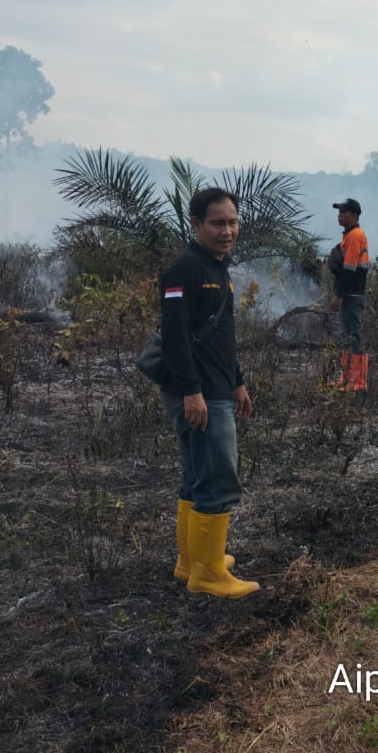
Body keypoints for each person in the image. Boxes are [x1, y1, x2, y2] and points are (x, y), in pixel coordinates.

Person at [159, 187, 259, 599]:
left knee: (197, 476)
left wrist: (237, 379)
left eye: (233, 222)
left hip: (217, 386)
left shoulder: (218, 267)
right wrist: (192, 393)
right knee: (218, 478)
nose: (228, 230)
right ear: (196, 224)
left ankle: (191, 562)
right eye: (218, 223)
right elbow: (175, 337)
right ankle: (209, 573)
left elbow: (222, 335)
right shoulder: (185, 269)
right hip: (199, 393)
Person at [328, 198, 369, 391]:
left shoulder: (354, 236)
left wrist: (339, 295)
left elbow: (349, 270)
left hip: (351, 295)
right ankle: (347, 379)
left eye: (344, 211)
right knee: (347, 337)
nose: (339, 214)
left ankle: (357, 382)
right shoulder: (350, 236)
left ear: (354, 215)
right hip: (351, 294)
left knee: (353, 337)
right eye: (339, 211)